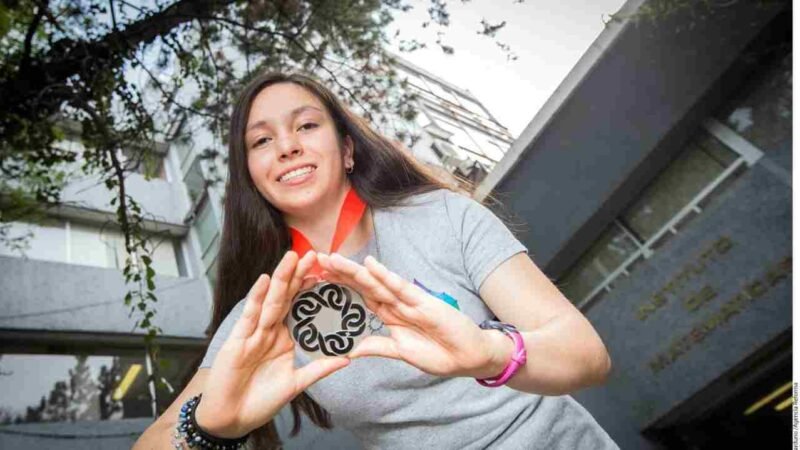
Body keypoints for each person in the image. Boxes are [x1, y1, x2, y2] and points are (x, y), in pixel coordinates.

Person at [133, 71, 620, 450]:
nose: (287, 146)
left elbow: (586, 355)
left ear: (347, 150)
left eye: (305, 125)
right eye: (261, 141)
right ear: (253, 178)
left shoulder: (442, 216)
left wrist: (490, 354)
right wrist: (209, 427)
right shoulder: (263, 312)